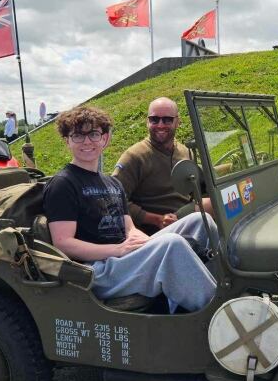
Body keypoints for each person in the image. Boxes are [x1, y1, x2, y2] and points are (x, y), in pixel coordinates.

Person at [43, 106, 217, 313]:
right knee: (172, 244)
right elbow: (64, 243)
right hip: (96, 270)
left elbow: (129, 228)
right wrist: (117, 250)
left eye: (94, 134)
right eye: (78, 135)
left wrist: (144, 241)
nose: (87, 142)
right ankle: (220, 313)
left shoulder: (112, 184)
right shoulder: (63, 183)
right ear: (67, 141)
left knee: (199, 221)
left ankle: (222, 285)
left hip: (122, 258)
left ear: (105, 139)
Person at [112, 97, 212, 234]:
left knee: (220, 201)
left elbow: (199, 187)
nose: (160, 125)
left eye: (167, 119)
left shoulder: (185, 152)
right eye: (154, 119)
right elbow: (114, 200)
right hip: (154, 229)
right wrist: (156, 219)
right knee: (209, 206)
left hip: (182, 216)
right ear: (147, 122)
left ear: (177, 122)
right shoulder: (134, 156)